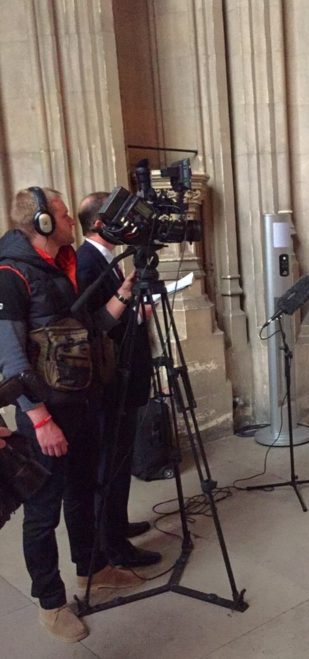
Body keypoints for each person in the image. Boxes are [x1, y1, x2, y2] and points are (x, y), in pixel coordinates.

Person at [0, 187, 142, 642]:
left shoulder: (62, 267)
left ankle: (94, 568)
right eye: (61, 214)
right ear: (41, 222)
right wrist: (39, 420)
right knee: (43, 513)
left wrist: (122, 294)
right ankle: (51, 604)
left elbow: (90, 329)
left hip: (81, 402)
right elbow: (11, 359)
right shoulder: (11, 274)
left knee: (85, 488)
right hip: (45, 413)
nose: (70, 221)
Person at [76, 192, 160, 569]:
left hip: (127, 371)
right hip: (111, 379)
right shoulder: (87, 262)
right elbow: (93, 325)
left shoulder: (108, 258)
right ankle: (112, 544)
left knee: (121, 457)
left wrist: (139, 313)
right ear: (100, 223)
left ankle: (119, 524)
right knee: (110, 461)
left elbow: (121, 317)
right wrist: (127, 301)